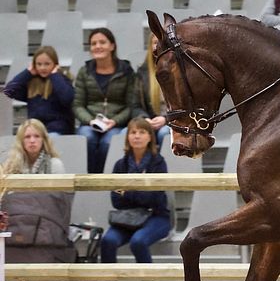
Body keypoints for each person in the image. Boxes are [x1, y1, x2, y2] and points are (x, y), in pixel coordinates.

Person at [100, 117, 170, 281]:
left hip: (157, 217)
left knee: (138, 242)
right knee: (107, 241)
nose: (137, 136)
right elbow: (116, 200)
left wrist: (128, 191)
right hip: (127, 219)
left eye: (142, 132)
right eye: (133, 132)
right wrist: (141, 191)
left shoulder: (158, 163)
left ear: (150, 137)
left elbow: (155, 199)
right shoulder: (120, 165)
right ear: (127, 137)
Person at [0, 119, 74, 265]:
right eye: (27, 137)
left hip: (46, 225)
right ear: (21, 141)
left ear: (44, 139)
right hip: (18, 223)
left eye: (36, 136)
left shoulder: (55, 164)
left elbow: (61, 202)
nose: (32, 141)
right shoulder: (9, 165)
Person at [73, 27, 137, 173]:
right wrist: (91, 121)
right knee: (87, 138)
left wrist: (114, 121)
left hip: (117, 123)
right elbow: (78, 105)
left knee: (109, 142)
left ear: (112, 46)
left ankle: (106, 179)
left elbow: (131, 105)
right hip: (89, 123)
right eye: (94, 43)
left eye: (102, 42)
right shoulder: (84, 71)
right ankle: (88, 179)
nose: (98, 46)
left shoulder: (126, 70)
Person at [3, 45, 75, 135]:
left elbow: (67, 98)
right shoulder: (31, 83)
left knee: (51, 138)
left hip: (57, 129)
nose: (42, 68)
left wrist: (55, 76)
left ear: (55, 64)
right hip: (35, 129)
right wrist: (27, 72)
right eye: (39, 64)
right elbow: (8, 91)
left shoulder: (62, 79)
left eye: (47, 64)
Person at [133, 33, 170, 149]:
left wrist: (166, 119)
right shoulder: (142, 72)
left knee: (164, 133)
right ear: (150, 47)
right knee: (126, 133)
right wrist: (145, 119)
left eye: (163, 44)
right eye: (155, 43)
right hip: (149, 121)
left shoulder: (182, 71)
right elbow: (135, 106)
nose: (158, 46)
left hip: (173, 121)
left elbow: (187, 106)